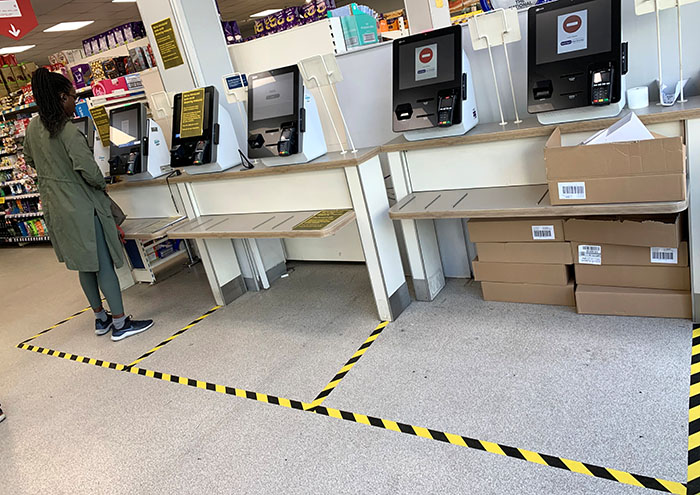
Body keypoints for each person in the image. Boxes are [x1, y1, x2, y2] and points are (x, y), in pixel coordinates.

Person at [23, 68, 153, 342]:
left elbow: (31, 160)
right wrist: (99, 180)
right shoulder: (68, 131)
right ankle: (120, 323)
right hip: (83, 208)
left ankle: (101, 318)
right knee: (104, 264)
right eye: (72, 96)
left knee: (84, 266)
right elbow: (91, 174)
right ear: (62, 98)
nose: (74, 101)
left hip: (57, 210)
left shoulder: (34, 127)